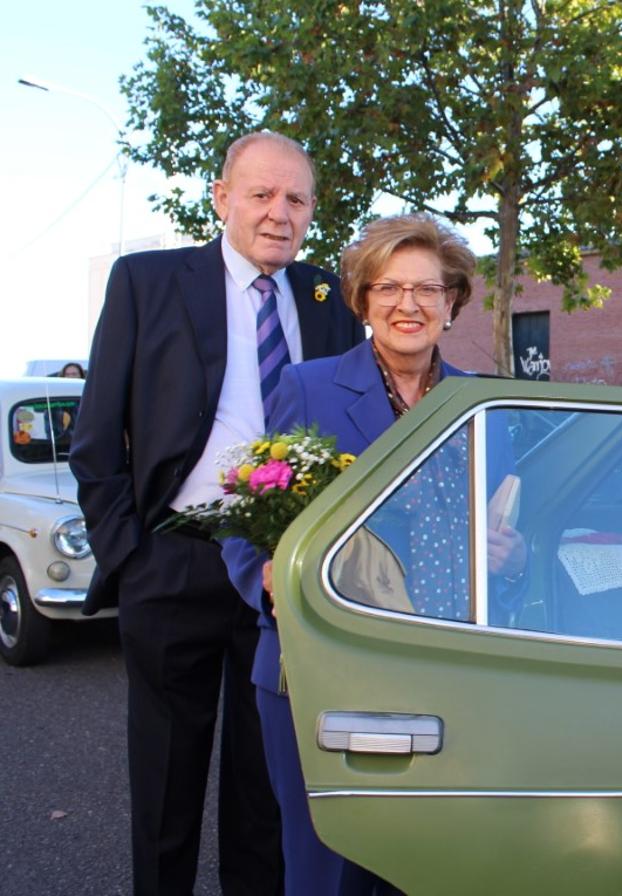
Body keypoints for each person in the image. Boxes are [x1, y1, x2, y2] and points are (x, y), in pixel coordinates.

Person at [69, 130, 365, 896]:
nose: (279, 213)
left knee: (264, 789)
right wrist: (128, 558)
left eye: (296, 199)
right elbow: (97, 436)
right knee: (166, 791)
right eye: (262, 194)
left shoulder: (327, 300)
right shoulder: (147, 282)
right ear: (221, 199)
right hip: (171, 563)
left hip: (281, 575)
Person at [222, 213, 526, 894]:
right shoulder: (308, 387)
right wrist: (263, 575)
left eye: (427, 289)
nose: (407, 305)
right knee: (326, 868)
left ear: (452, 302)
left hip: (449, 666)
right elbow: (243, 514)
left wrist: (516, 555)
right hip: (323, 666)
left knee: (429, 863)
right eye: (389, 288)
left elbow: (521, 526)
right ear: (362, 300)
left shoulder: (486, 403)